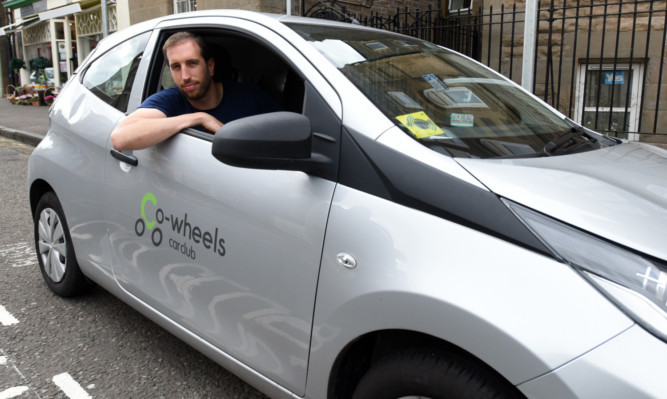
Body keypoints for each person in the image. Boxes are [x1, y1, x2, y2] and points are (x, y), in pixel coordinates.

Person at [111, 32, 279, 151]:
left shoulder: (250, 96)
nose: (185, 76)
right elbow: (120, 137)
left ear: (210, 66)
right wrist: (200, 118)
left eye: (192, 63)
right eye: (176, 67)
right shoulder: (171, 100)